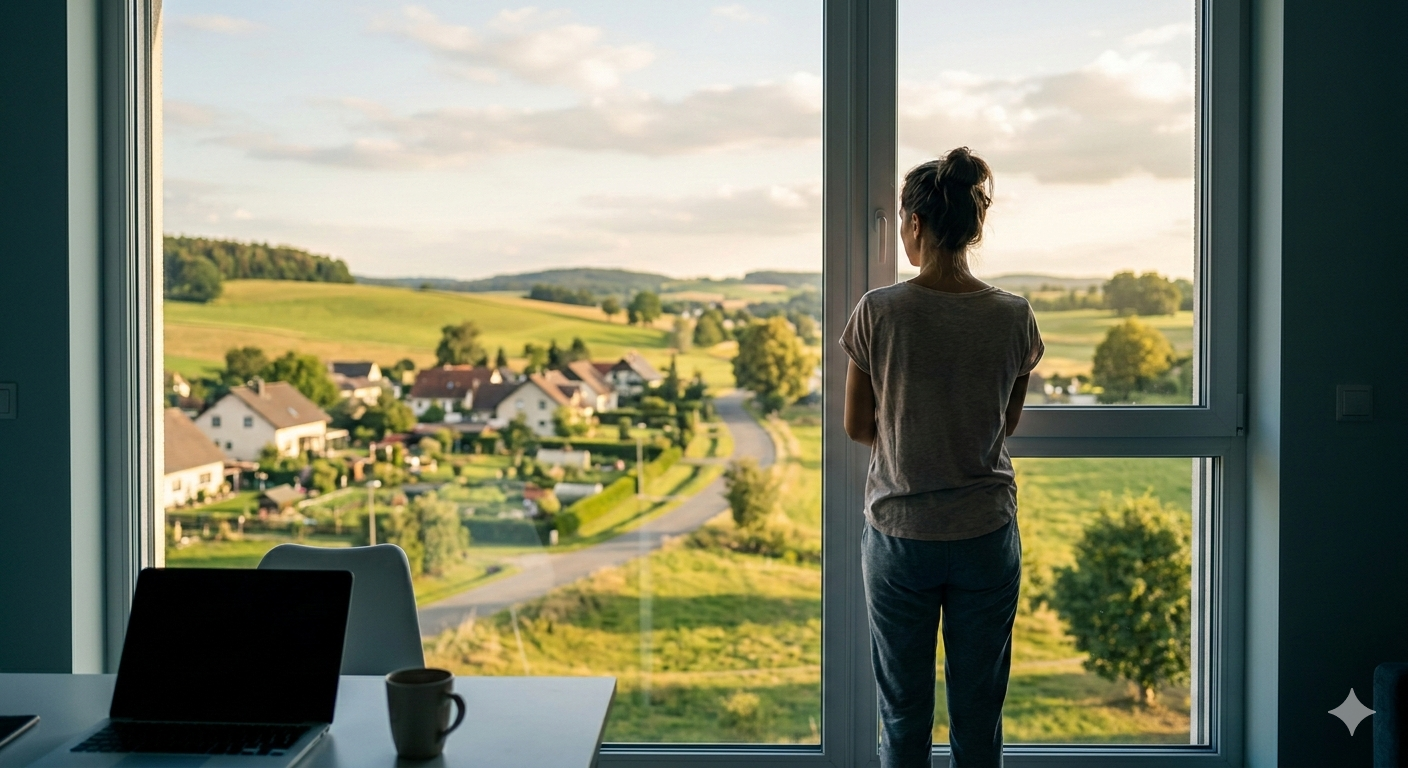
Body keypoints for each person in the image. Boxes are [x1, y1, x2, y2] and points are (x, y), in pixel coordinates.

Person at [840, 147, 1043, 767]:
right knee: (978, 717)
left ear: (917, 225)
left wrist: (909, 438)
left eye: (904, 220)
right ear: (974, 227)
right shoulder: (1014, 316)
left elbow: (855, 426)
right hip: (985, 533)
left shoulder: (879, 311)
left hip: (901, 534)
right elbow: (1005, 423)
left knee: (903, 717)